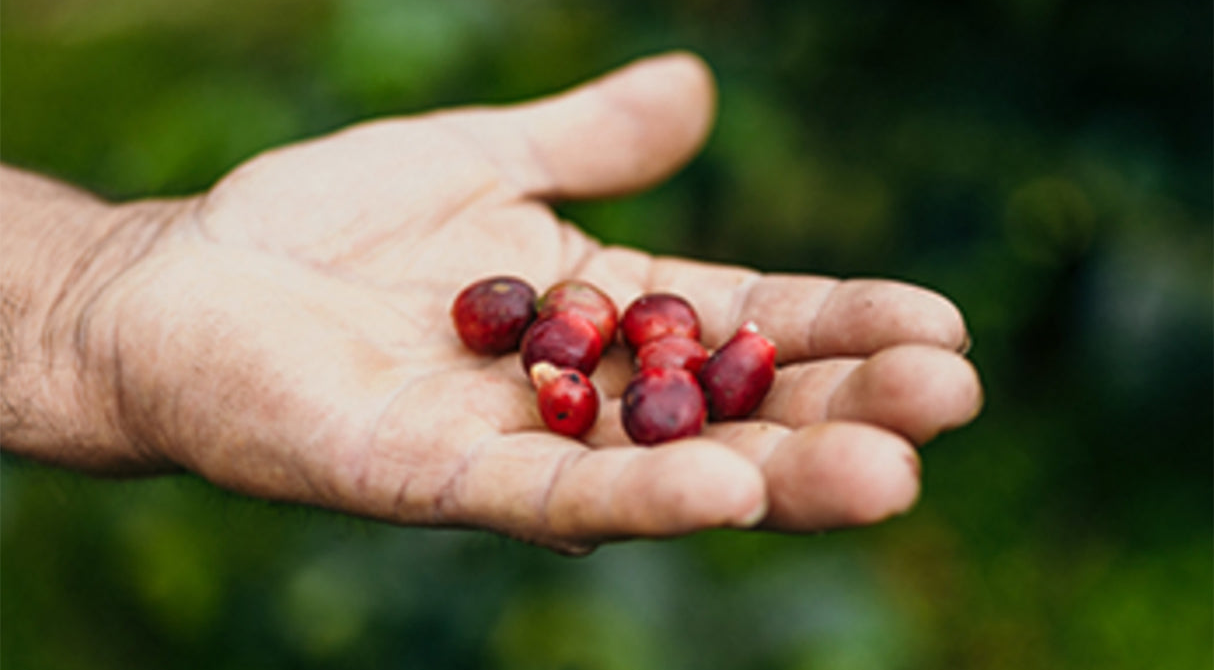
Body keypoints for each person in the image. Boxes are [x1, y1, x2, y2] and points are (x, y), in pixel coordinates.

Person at [0, 53, 982, 555]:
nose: (569, 372)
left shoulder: (617, 347)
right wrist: (84, 299)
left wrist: (92, 284)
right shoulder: (599, 345)